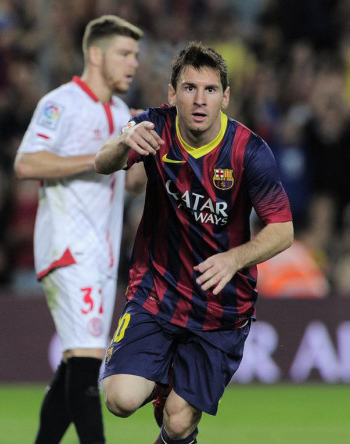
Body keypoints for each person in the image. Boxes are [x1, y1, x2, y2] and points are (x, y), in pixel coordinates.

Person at [94, 42, 294, 444]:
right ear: (172, 94)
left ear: (225, 98)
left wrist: (234, 259)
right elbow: (103, 163)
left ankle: (171, 400)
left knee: (179, 422)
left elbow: (282, 229)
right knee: (119, 399)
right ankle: (163, 384)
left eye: (209, 90)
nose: (199, 100)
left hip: (220, 307)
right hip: (158, 292)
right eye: (189, 88)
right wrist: (124, 142)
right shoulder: (153, 128)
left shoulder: (249, 152)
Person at [14, 15, 145, 444]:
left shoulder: (122, 112)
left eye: (136, 56)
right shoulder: (61, 103)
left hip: (102, 256)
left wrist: (147, 151)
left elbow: (128, 185)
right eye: (124, 54)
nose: (133, 64)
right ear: (95, 53)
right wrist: (97, 156)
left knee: (76, 362)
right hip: (69, 249)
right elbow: (26, 163)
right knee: (89, 364)